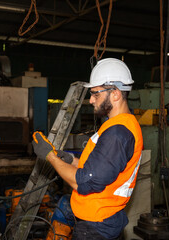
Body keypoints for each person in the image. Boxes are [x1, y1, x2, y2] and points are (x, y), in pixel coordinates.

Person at [32, 58, 143, 240]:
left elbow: (83, 183)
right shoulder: (116, 125)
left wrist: (50, 156)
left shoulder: (117, 134)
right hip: (103, 219)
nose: (91, 100)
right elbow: (98, 168)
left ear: (115, 93)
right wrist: (68, 159)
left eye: (96, 94)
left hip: (96, 227)